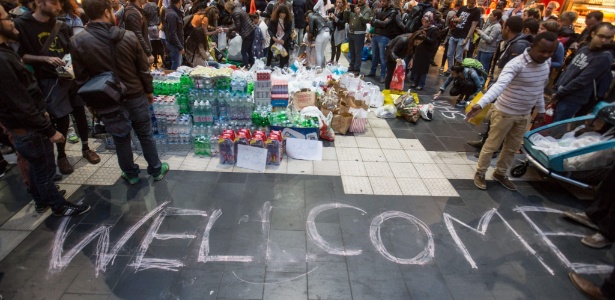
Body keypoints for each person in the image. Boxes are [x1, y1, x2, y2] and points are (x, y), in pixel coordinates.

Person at [0, 0, 91, 216]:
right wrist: (50, 130)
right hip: (29, 128)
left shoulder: (6, 52)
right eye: (6, 18)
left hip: (32, 122)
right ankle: (57, 204)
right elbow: (20, 103)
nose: (12, 21)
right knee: (44, 168)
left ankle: (43, 198)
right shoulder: (3, 60)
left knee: (40, 167)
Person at [71, 0, 169, 184]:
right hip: (135, 94)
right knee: (145, 134)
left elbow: (81, 79)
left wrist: (91, 105)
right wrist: (149, 91)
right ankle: (155, 169)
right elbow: (143, 70)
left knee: (120, 137)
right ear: (108, 12)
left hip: (106, 99)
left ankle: (131, 174)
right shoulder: (129, 37)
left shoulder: (77, 41)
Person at [466, 32, 558, 191]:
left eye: (550, 52)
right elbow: (499, 85)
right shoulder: (516, 64)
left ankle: (500, 173)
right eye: (542, 51)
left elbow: (538, 88)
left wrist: (541, 110)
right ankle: (480, 172)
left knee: (511, 147)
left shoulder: (546, 63)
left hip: (524, 114)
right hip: (504, 113)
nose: (546, 55)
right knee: (492, 145)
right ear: (533, 46)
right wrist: (480, 104)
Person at [13, 0, 78, 175]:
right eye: (55, 2)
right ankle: (47, 164)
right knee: (44, 121)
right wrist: (45, 59)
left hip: (65, 79)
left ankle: (62, 155)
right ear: (40, 2)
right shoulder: (21, 24)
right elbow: (18, 55)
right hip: (39, 81)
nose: (59, 7)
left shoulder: (61, 25)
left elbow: (69, 49)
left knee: (64, 118)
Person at [552, 22, 615, 122]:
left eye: (608, 38)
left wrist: (559, 93)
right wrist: (557, 88)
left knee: (557, 129)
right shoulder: (585, 49)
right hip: (562, 92)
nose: (604, 40)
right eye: (601, 36)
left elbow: (582, 80)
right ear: (593, 34)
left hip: (573, 98)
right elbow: (569, 70)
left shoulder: (605, 56)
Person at [367, 0, 402, 83]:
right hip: (375, 35)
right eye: (381, 1)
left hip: (384, 36)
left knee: (383, 58)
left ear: (388, 2)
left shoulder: (393, 12)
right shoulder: (378, 10)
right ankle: (372, 72)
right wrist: (380, 21)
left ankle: (383, 75)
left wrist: (376, 21)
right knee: (374, 56)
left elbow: (386, 24)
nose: (382, 3)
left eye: (384, 1)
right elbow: (372, 22)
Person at [445, 0, 479, 76]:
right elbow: (454, 19)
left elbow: (473, 26)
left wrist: (467, 38)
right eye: (471, 3)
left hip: (463, 36)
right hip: (455, 34)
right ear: (468, 2)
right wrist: (458, 19)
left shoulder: (476, 11)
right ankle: (450, 70)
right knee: (449, 54)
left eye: (474, 3)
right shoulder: (462, 8)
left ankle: (457, 72)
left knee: (458, 56)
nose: (472, 5)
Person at [410, 12, 438, 90]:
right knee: (416, 67)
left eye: (426, 22)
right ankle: (415, 82)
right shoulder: (421, 28)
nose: (424, 23)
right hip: (419, 50)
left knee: (423, 69)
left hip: (426, 51)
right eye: (423, 21)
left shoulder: (434, 29)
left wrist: (425, 37)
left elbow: (433, 41)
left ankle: (421, 84)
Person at [225, 0, 257, 67]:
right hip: (251, 30)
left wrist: (229, 29)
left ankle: (246, 65)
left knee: (243, 51)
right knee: (249, 50)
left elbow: (237, 25)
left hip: (247, 32)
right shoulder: (238, 9)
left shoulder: (235, 13)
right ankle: (251, 63)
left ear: (228, 8)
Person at [347, 0, 371, 76]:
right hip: (351, 33)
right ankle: (351, 66)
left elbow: (366, 20)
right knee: (352, 51)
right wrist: (346, 10)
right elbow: (347, 19)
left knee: (358, 52)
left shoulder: (367, 9)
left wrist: (359, 14)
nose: (360, 0)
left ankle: (357, 68)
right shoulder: (354, 7)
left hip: (359, 34)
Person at [162, 0, 184, 70]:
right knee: (176, 64)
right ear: (180, 1)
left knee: (177, 63)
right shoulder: (172, 14)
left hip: (174, 43)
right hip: (174, 45)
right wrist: (180, 47)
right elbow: (172, 33)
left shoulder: (172, 11)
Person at [438, 2, 458, 74]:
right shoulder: (456, 14)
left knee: (447, 52)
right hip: (456, 35)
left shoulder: (450, 13)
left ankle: (443, 65)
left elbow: (446, 23)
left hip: (450, 34)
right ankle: (455, 69)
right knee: (455, 54)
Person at [327, 0, 348, 65]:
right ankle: (332, 59)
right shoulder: (335, 9)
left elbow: (343, 23)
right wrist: (330, 18)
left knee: (338, 46)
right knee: (332, 45)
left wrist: (335, 18)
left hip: (340, 30)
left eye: (340, 2)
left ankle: (336, 61)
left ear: (343, 3)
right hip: (334, 29)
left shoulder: (345, 11)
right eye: (337, 2)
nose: (338, 4)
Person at [144, 0, 163, 67]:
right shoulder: (156, 6)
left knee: (153, 45)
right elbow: (159, 15)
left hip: (149, 27)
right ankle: (163, 61)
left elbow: (144, 17)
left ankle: (155, 62)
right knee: (159, 45)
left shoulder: (145, 6)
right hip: (156, 26)